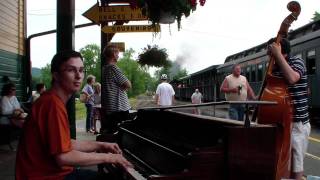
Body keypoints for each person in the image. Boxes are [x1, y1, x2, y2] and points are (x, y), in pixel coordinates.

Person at [15, 50, 132, 180]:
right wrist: (109, 157)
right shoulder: (52, 104)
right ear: (56, 75)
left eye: (81, 70)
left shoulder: (52, 100)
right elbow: (63, 157)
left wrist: (101, 145)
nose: (78, 76)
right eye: (71, 70)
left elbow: (65, 144)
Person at [268, 38, 310, 180]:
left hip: (297, 123)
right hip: (281, 124)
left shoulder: (297, 62)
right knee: (281, 165)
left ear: (279, 50)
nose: (269, 55)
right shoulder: (273, 68)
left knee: (295, 166)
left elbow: (292, 78)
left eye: (271, 51)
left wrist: (277, 55)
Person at [102, 45, 131, 134]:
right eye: (117, 53)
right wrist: (124, 86)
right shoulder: (113, 68)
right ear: (114, 54)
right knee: (123, 134)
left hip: (111, 108)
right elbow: (128, 84)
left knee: (114, 133)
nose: (118, 56)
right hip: (119, 108)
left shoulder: (105, 68)